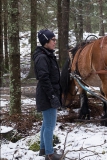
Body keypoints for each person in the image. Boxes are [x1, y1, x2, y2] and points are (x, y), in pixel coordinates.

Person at [33, 29, 63, 160]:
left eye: (55, 39)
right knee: (50, 125)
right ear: (46, 42)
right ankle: (50, 154)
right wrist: (52, 96)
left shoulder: (47, 54)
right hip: (47, 95)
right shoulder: (42, 57)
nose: (55, 42)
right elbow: (44, 78)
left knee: (46, 124)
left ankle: (44, 149)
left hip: (49, 93)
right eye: (53, 40)